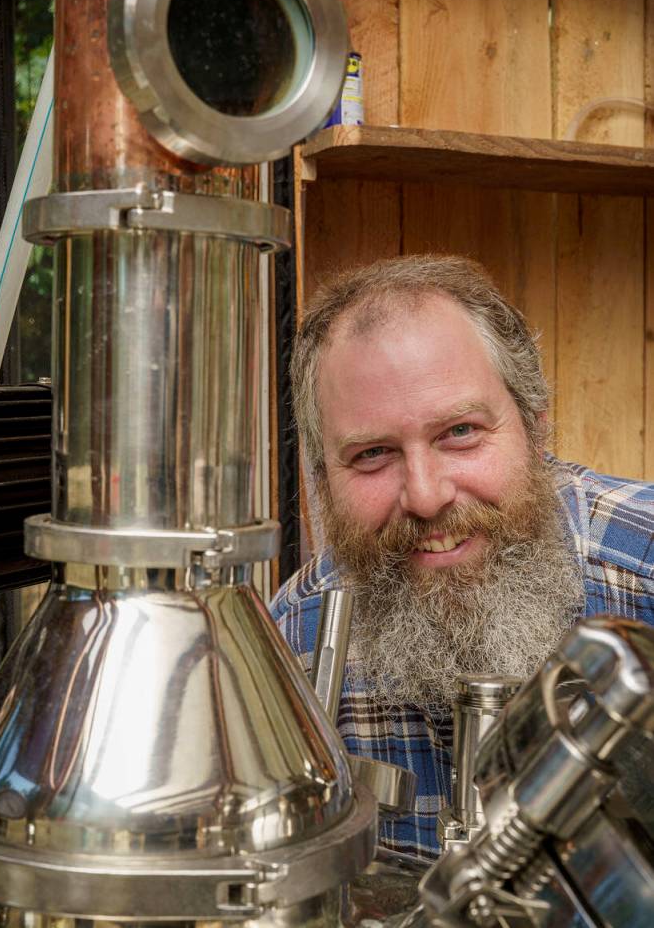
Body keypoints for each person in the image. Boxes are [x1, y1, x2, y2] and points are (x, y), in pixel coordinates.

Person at [270, 254, 654, 865]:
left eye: (459, 432)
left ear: (536, 429)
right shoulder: (294, 640)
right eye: (372, 454)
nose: (425, 496)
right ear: (322, 479)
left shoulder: (644, 572)